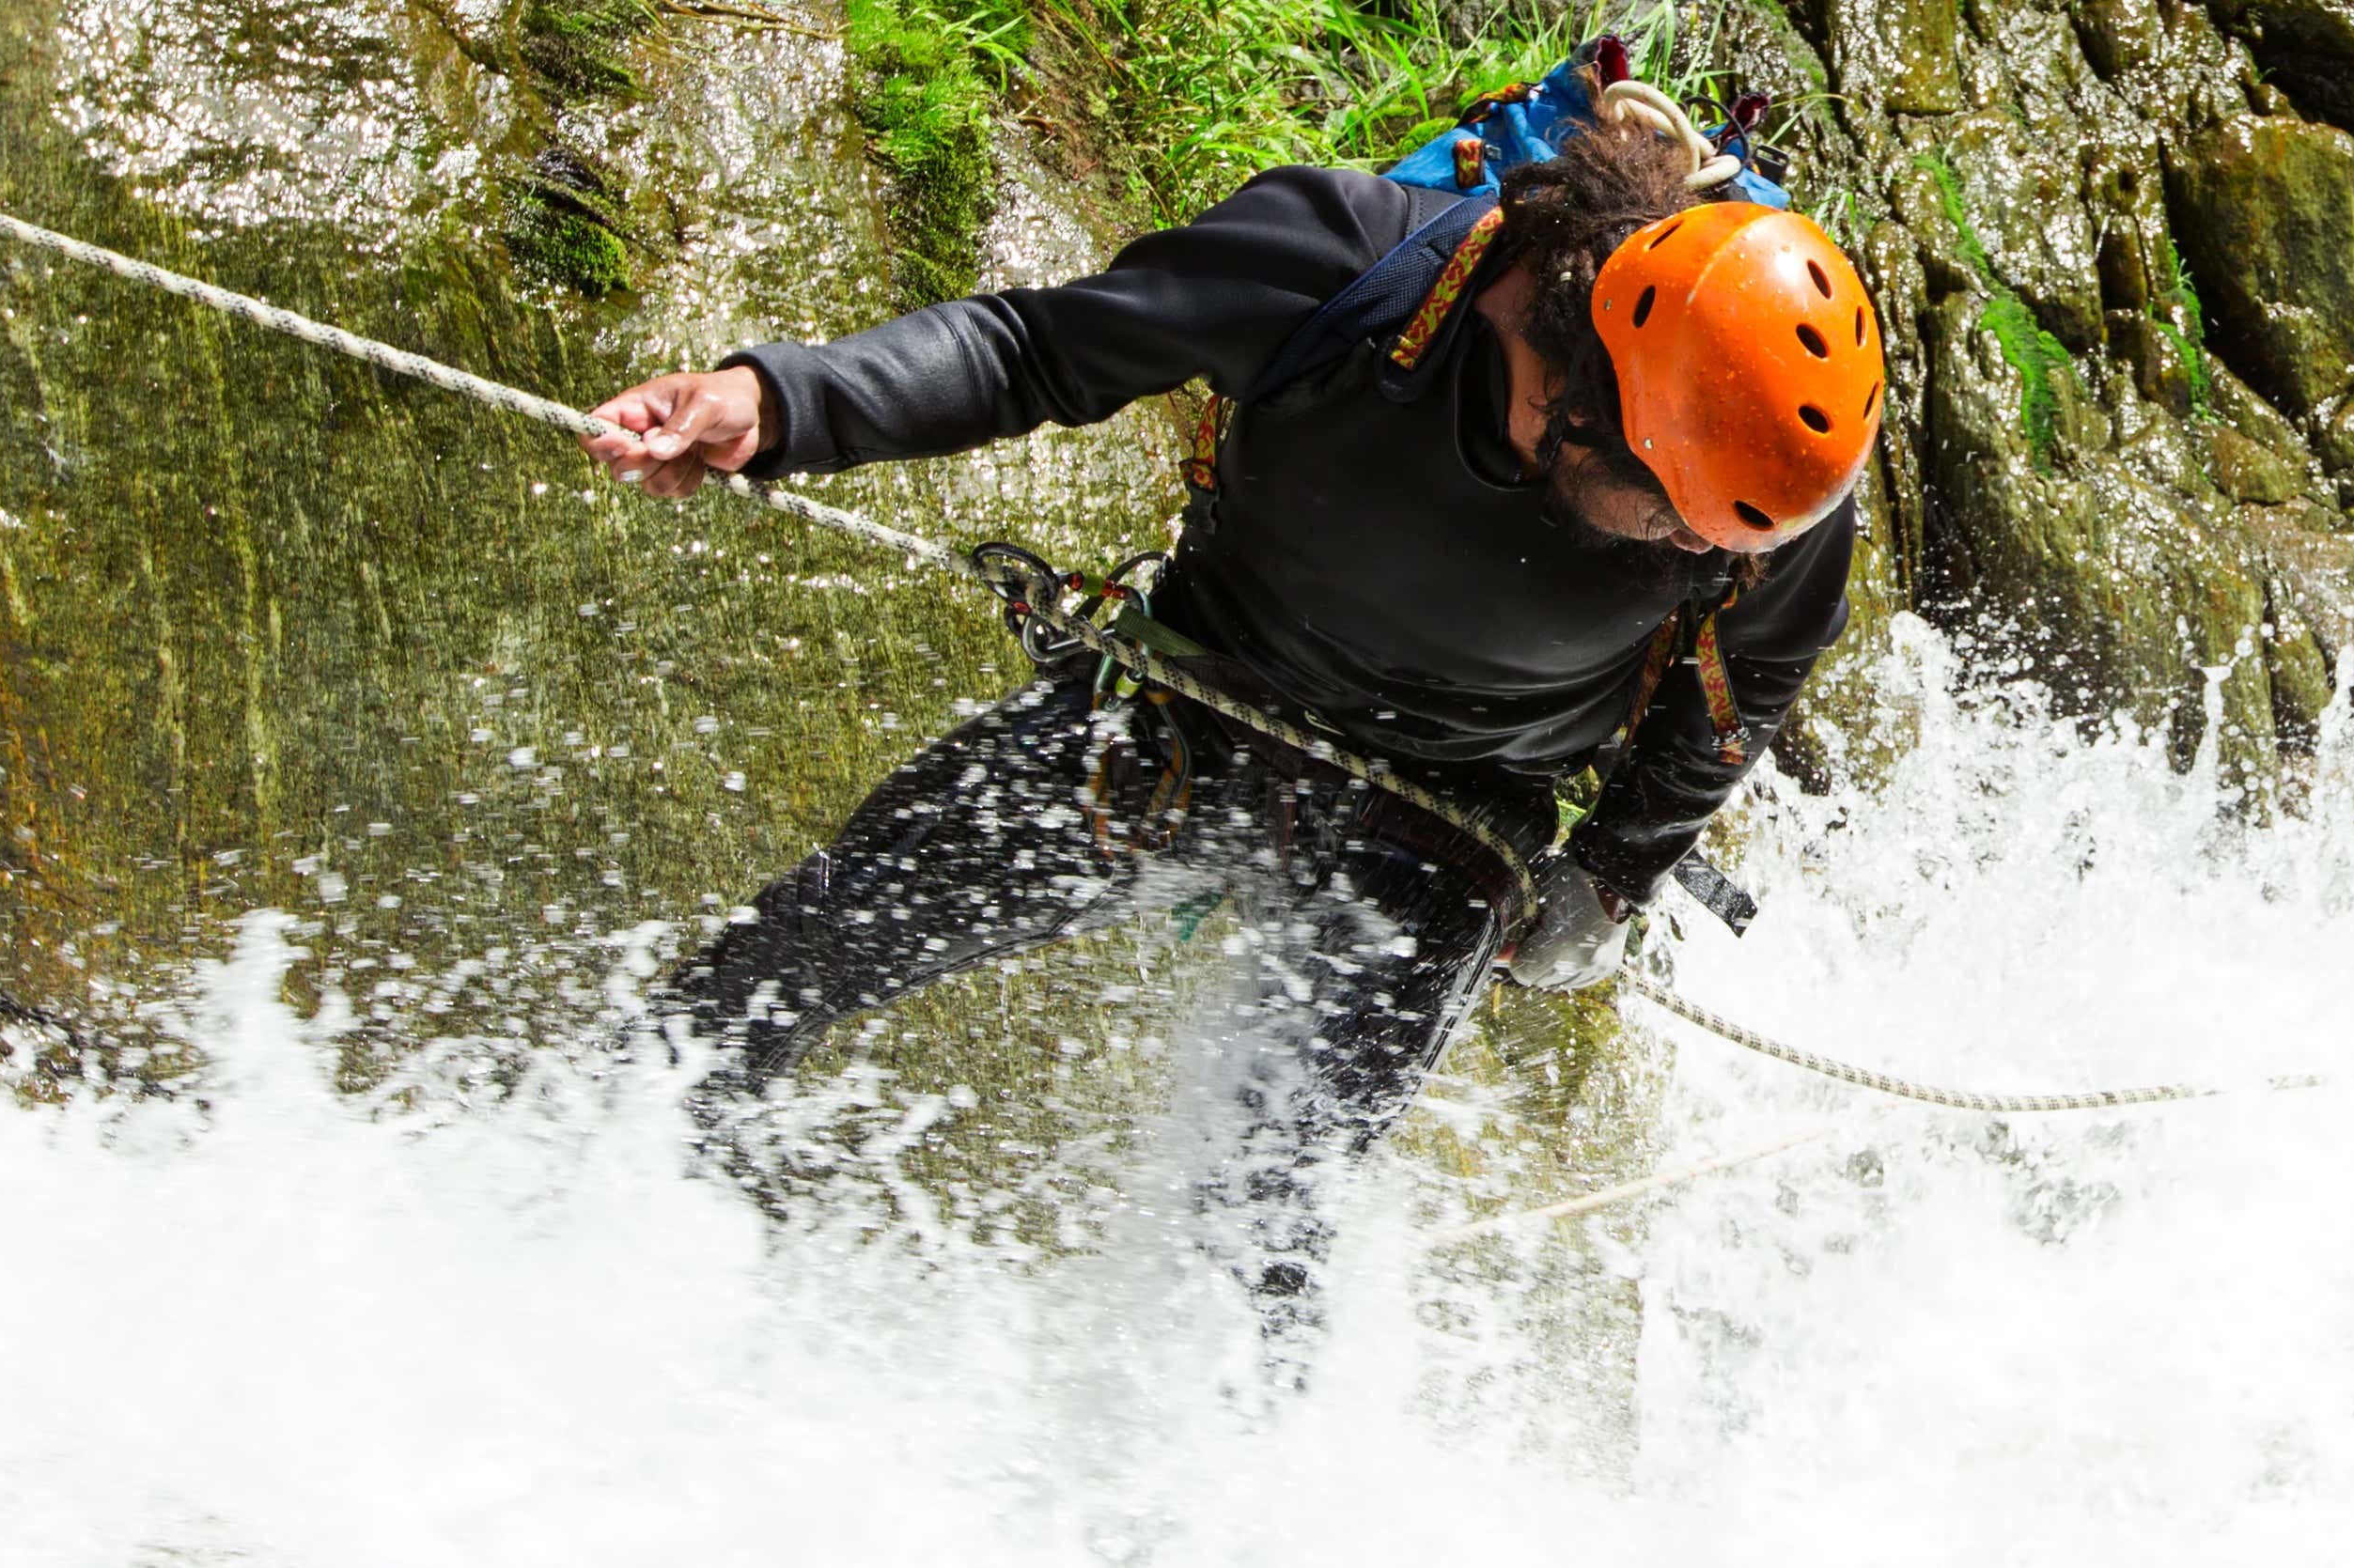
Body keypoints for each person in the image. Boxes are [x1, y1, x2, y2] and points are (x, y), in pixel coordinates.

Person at [571, 103, 1883, 1324]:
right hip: (1198, 704)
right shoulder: (1344, 267)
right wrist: (784, 402)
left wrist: (1606, 878)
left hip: (1454, 829)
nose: (1681, 545)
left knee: (1263, 1227)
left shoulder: (1756, 491)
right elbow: (1036, 350)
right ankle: (576, 1213)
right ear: (1571, 393)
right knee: (802, 948)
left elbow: (1747, 682)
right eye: (1662, 513)